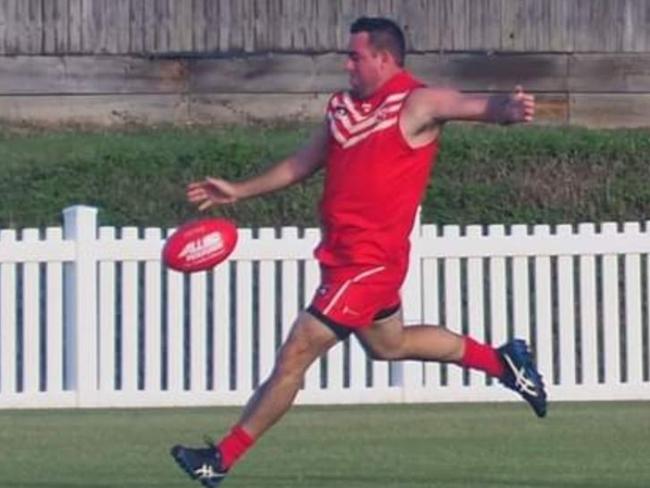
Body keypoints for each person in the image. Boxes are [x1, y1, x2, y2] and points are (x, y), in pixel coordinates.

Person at [171, 16, 546, 488]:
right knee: (391, 345)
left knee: (295, 357)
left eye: (355, 55)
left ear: (384, 58)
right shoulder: (342, 108)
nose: (346, 64)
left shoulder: (415, 102)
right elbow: (301, 162)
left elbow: (469, 104)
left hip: (372, 264)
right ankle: (503, 363)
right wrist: (238, 192)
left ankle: (219, 459)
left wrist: (506, 108)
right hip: (341, 256)